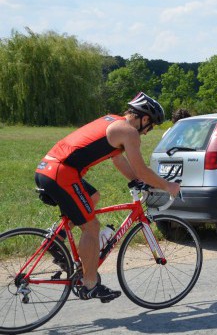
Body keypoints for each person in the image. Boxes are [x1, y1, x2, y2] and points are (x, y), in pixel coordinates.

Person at [34, 92, 180, 302]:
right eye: (151, 126)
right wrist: (168, 186)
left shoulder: (111, 121)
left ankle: (56, 239)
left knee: (92, 197)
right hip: (62, 174)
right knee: (91, 228)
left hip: (48, 169)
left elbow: (118, 158)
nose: (148, 132)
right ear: (144, 119)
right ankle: (90, 284)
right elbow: (141, 169)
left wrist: (134, 180)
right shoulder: (129, 132)